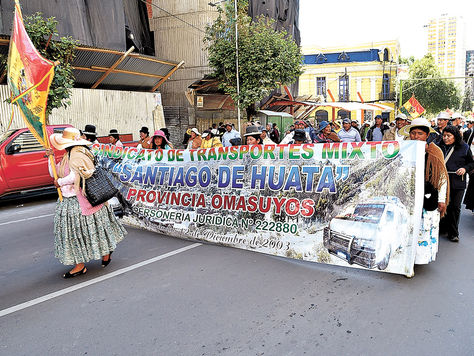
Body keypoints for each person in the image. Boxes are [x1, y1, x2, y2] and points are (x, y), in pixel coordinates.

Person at [45, 127, 127, 278]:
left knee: (79, 233)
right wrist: (49, 160)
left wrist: (60, 182)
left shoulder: (77, 154)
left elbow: (76, 175)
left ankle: (83, 263)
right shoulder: (68, 155)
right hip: (69, 200)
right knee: (82, 232)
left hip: (81, 199)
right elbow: (54, 173)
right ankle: (98, 256)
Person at [399, 117, 449, 263]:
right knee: (407, 228)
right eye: (413, 133)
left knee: (424, 229)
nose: (416, 136)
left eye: (420, 133)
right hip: (409, 196)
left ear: (427, 135)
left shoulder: (435, 151)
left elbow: (442, 177)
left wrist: (441, 199)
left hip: (429, 197)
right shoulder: (405, 149)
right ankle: (406, 259)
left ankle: (419, 259)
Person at [438, 126, 474, 242]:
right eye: (444, 136)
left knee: (455, 207)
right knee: (443, 205)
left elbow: (471, 163)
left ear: (455, 136)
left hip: (458, 181)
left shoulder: (464, 147)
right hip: (442, 181)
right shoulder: (439, 146)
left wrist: (464, 168)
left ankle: (453, 233)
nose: (445, 138)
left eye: (449, 136)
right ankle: (442, 228)